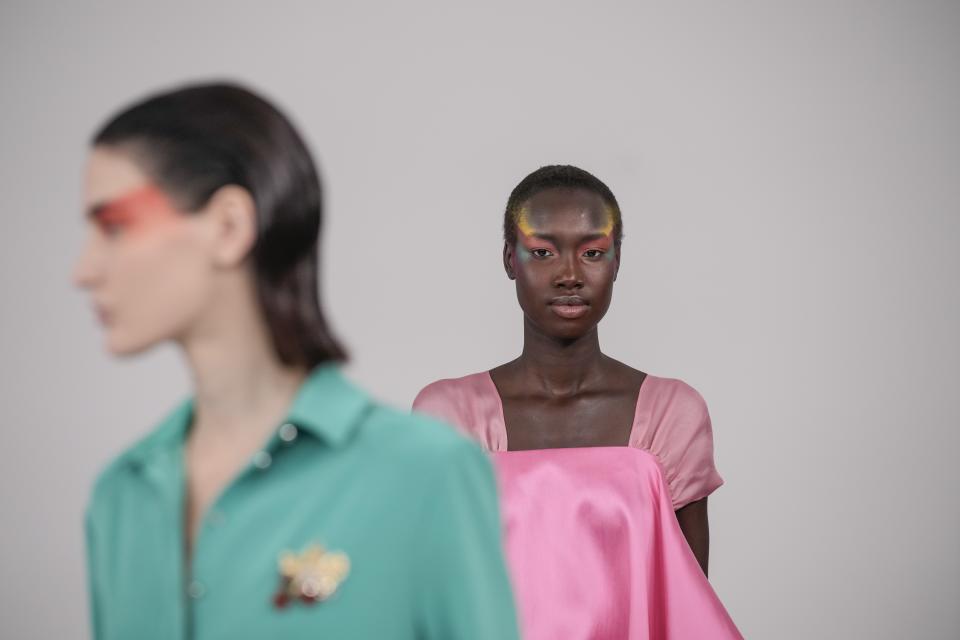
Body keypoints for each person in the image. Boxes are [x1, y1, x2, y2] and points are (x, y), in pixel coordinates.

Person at [76, 82, 519, 640]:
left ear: (228, 226)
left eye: (114, 227)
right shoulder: (122, 497)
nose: (84, 269)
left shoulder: (427, 475)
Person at [414, 165, 741, 639]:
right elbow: (428, 596)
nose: (569, 274)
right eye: (543, 252)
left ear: (617, 261)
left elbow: (684, 609)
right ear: (510, 260)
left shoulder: (672, 415)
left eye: (592, 252)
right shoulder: (448, 416)